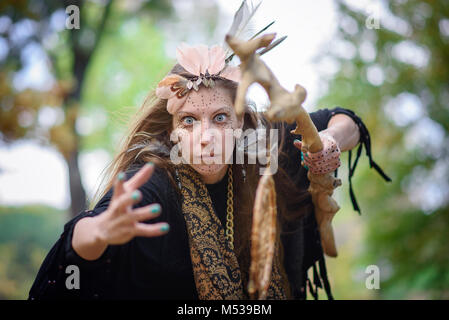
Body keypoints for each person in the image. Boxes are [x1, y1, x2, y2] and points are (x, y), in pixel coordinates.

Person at [29, 40, 390, 300]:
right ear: (172, 131)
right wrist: (100, 232)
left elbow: (348, 121)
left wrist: (326, 140)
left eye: (220, 118)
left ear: (239, 123)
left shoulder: (264, 143)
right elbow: (79, 247)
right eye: (189, 121)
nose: (207, 138)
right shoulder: (153, 181)